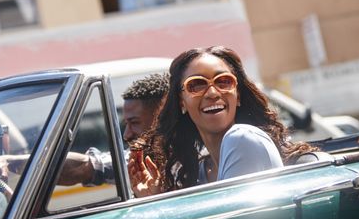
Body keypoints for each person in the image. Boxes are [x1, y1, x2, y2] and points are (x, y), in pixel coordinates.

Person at [128, 46, 317, 197]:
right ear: (181, 102)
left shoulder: (243, 138)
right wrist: (155, 198)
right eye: (196, 85)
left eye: (224, 82)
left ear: (238, 95)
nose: (212, 93)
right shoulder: (197, 171)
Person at [0, 72, 169, 190]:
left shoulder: (198, 158)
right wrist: (8, 161)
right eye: (126, 124)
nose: (126, 134)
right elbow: (85, 167)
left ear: (163, 117)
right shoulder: (138, 161)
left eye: (134, 122)